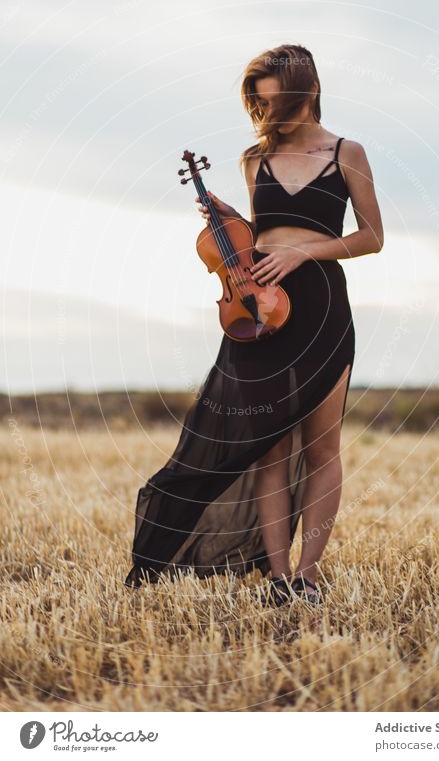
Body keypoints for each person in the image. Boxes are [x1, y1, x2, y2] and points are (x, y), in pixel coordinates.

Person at [124, 43, 383, 607]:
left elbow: (371, 238)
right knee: (266, 447)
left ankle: (308, 578)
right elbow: (261, 236)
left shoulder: (347, 152)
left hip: (320, 308)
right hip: (258, 312)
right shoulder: (253, 160)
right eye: (258, 104)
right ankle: (277, 576)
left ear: (307, 93)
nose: (266, 116)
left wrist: (305, 254)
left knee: (320, 449)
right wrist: (230, 221)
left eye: (274, 103)